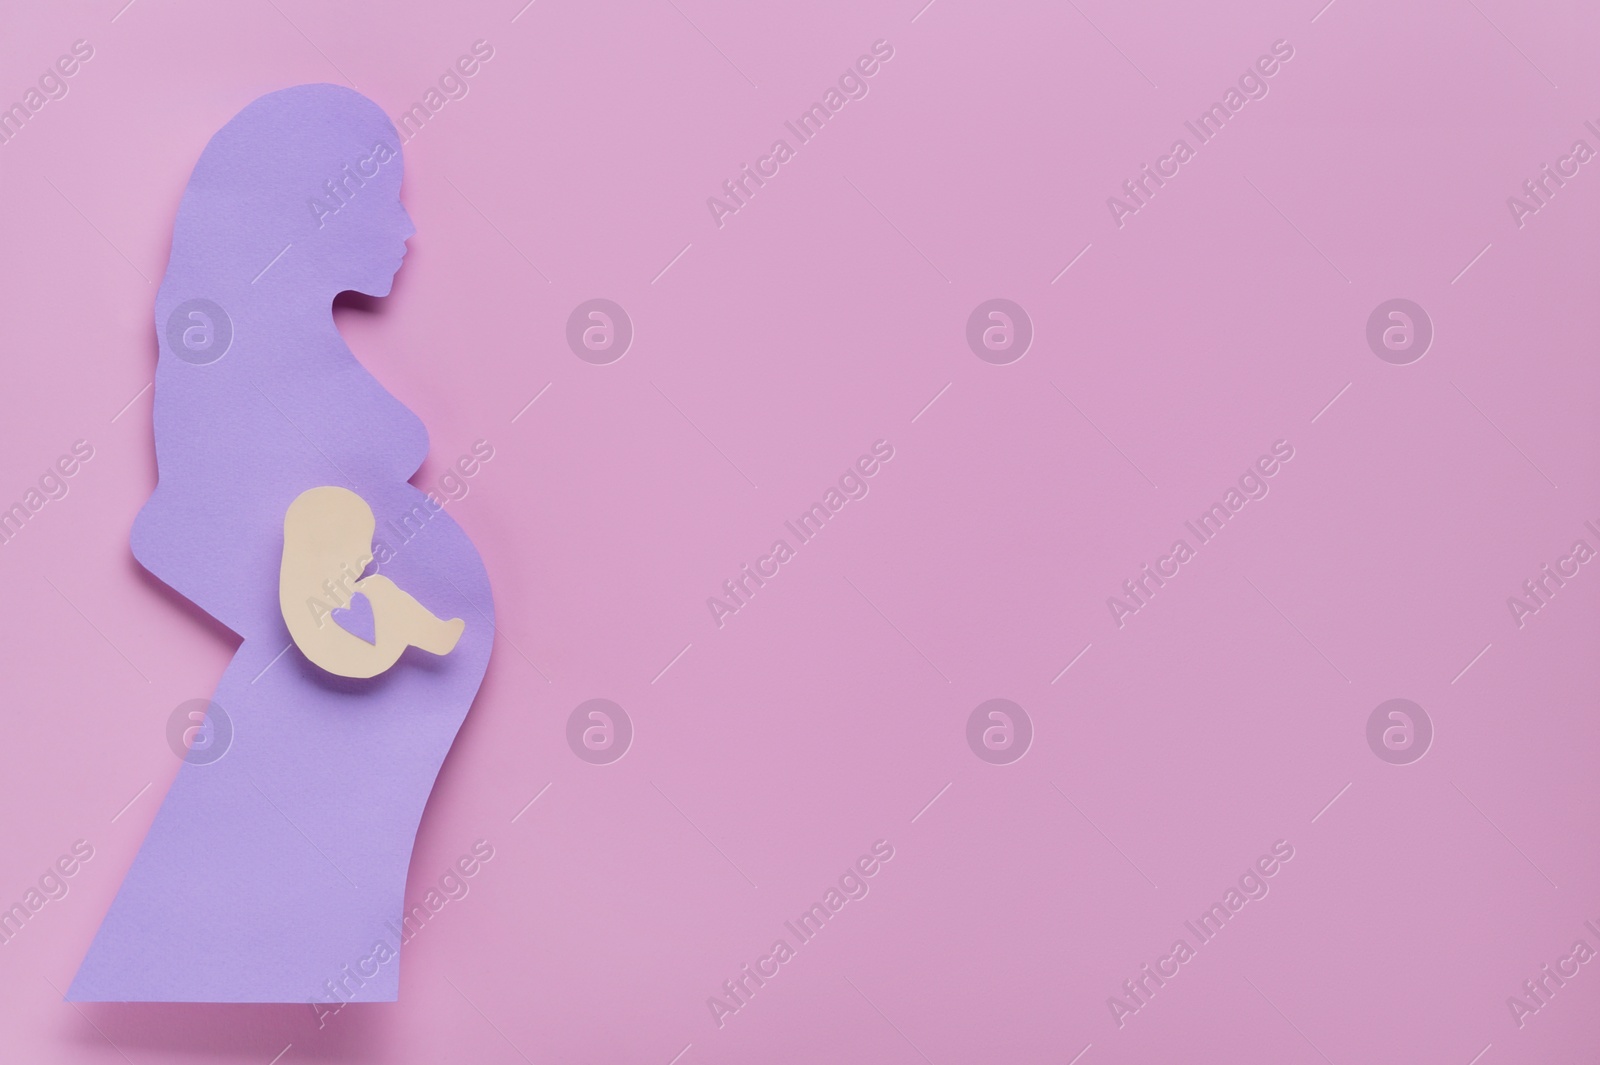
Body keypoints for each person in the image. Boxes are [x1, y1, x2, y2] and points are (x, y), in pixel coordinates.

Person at [68, 84, 494, 1004]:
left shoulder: (283, 378)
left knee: (291, 910)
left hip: (355, 724)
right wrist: (325, 610)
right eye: (387, 200)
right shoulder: (251, 395)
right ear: (312, 212)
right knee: (264, 916)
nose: (411, 231)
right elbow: (172, 530)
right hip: (327, 709)